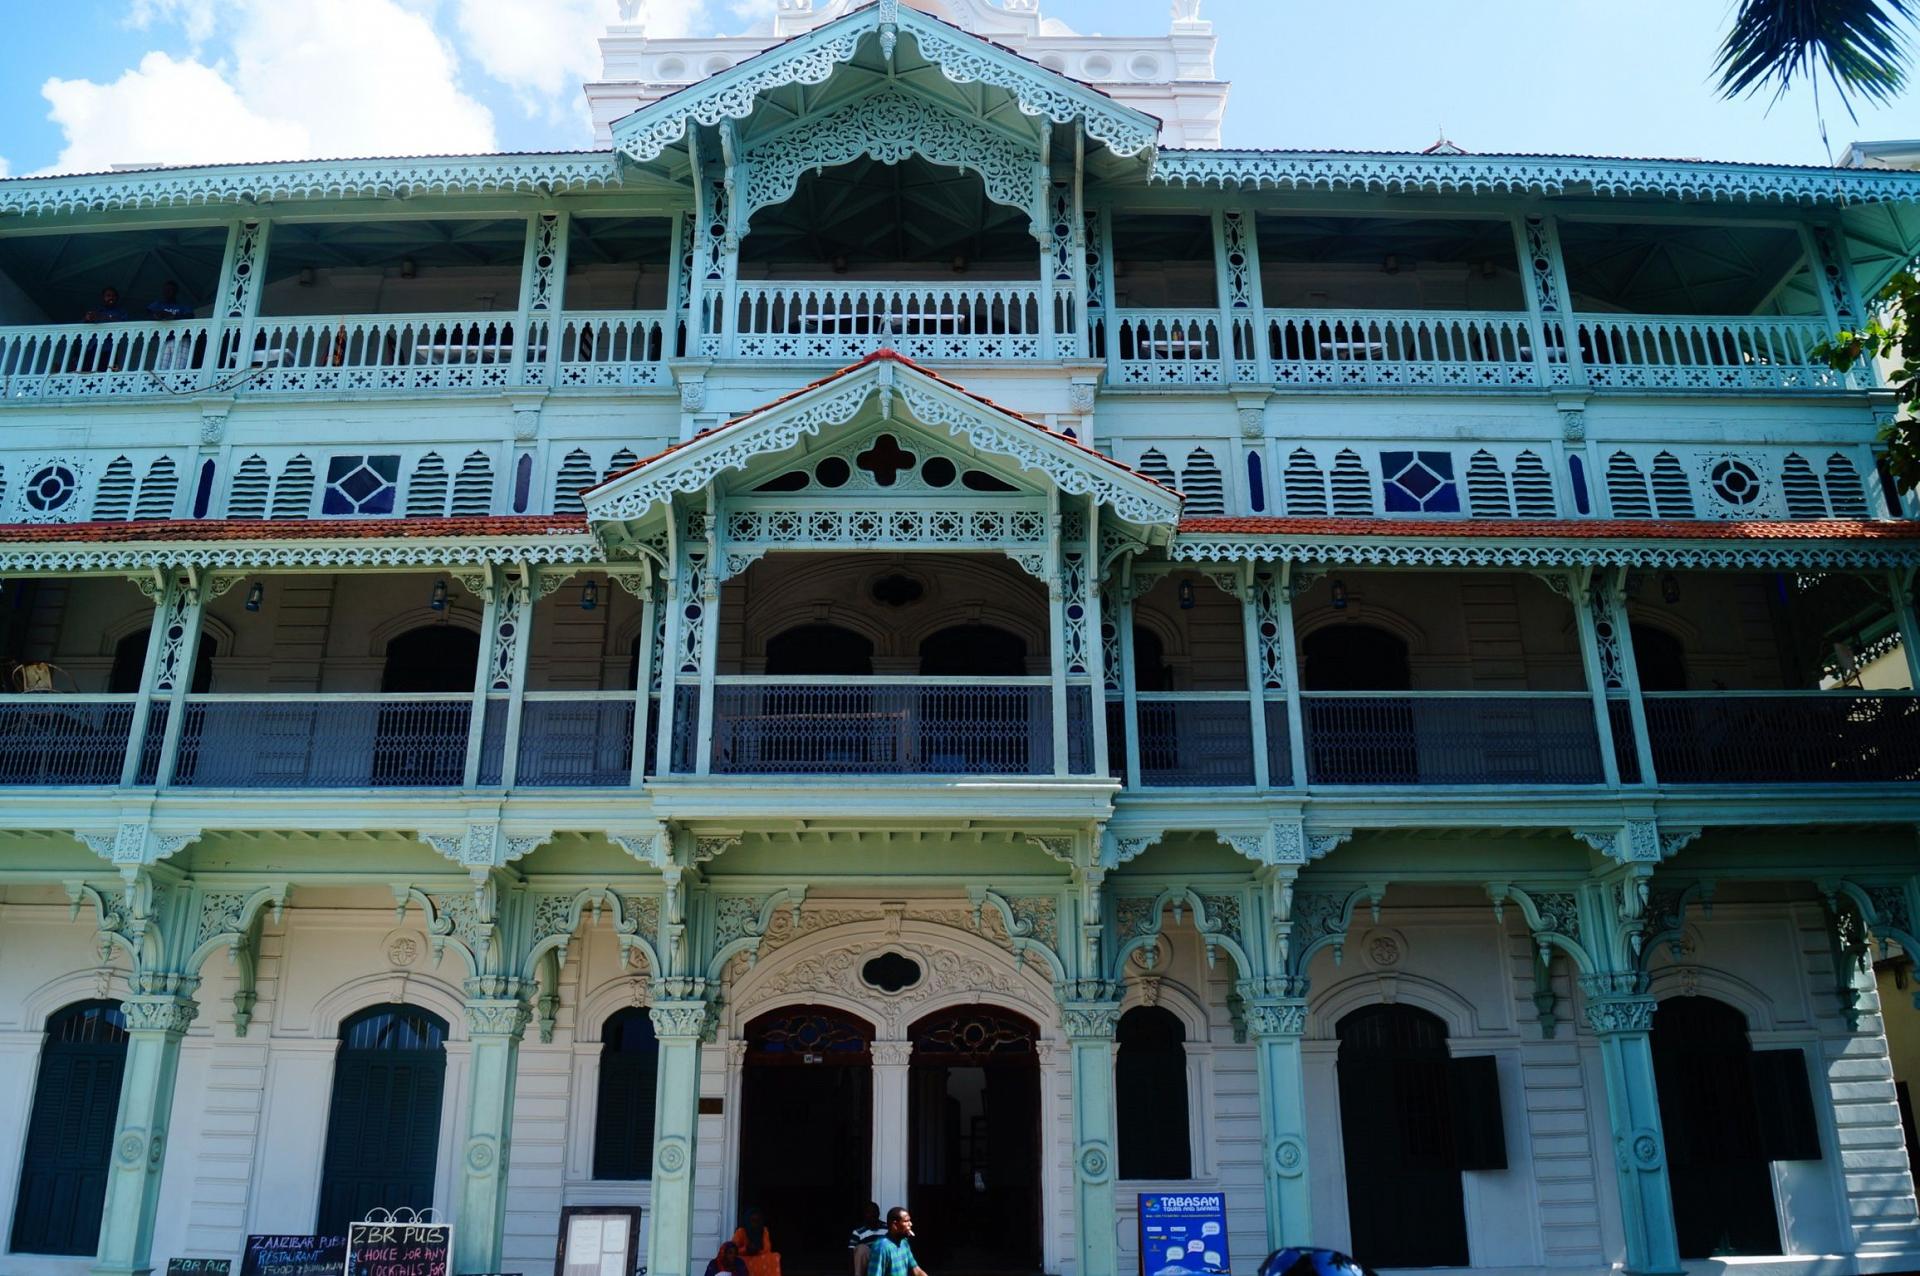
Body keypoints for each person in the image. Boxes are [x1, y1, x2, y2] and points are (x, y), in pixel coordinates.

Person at [866, 1207, 926, 1276]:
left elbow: (916, 1269)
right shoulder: (881, 1247)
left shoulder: (904, 1243)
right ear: (895, 1225)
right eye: (906, 1221)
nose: (910, 1224)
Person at [731, 1208, 781, 1276]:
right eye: (752, 1221)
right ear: (747, 1221)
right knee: (736, 1260)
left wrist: (757, 1249)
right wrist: (746, 1249)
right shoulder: (740, 1231)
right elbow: (732, 1249)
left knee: (774, 1256)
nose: (754, 1224)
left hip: (759, 1255)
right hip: (745, 1257)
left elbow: (767, 1248)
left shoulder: (764, 1230)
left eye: (757, 1221)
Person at [848, 1202, 886, 1276]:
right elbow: (851, 1254)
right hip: (868, 1262)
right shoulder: (858, 1232)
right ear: (865, 1215)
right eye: (869, 1213)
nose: (872, 1215)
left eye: (875, 1213)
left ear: (878, 1214)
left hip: (883, 1260)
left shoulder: (887, 1228)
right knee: (861, 1248)